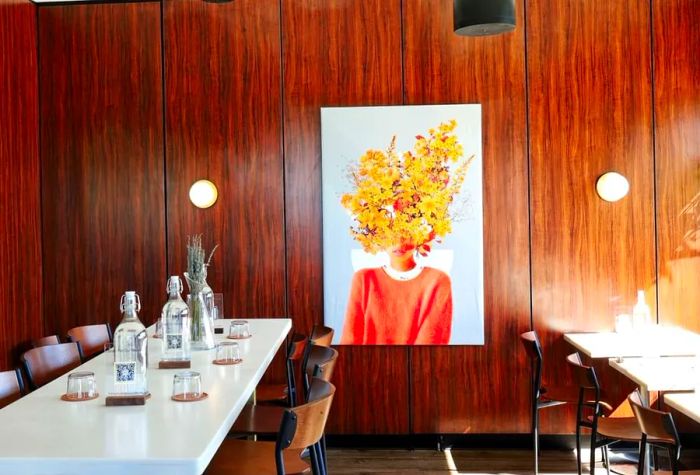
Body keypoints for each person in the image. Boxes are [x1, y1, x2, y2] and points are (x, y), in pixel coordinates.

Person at [340, 245, 453, 345]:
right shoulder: (364, 278)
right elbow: (350, 338)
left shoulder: (438, 280)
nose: (399, 242)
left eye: (407, 233)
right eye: (391, 233)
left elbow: (431, 343)